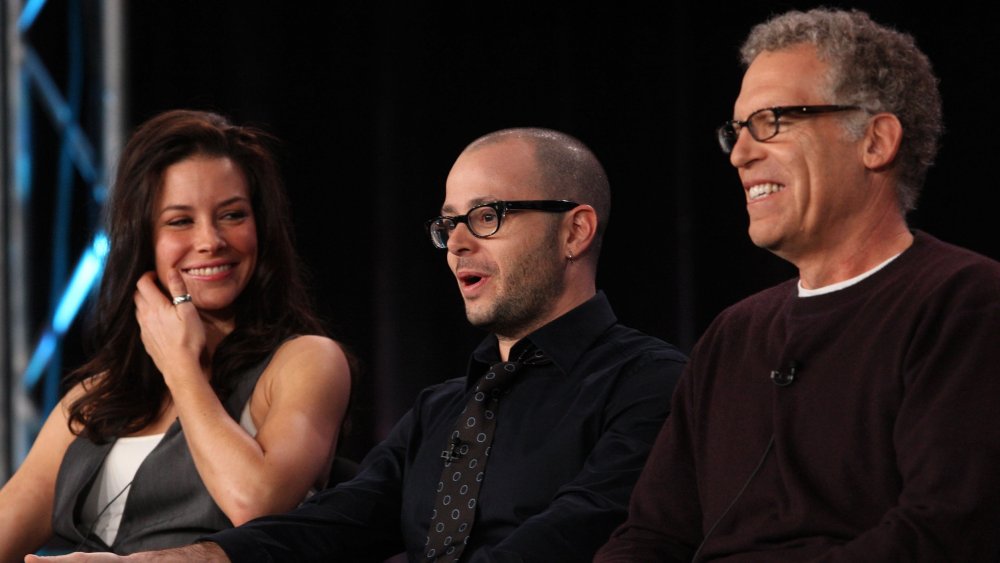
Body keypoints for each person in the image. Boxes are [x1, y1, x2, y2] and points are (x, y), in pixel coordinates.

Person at [34, 127, 687, 562]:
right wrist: (177, 559)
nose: (458, 242)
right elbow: (338, 521)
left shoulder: (652, 383)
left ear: (575, 231)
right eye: (449, 224)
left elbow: (579, 530)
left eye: (487, 216)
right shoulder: (443, 407)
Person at [596, 8, 1000, 562]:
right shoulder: (732, 335)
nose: (740, 155)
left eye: (772, 121)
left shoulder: (964, 301)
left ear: (875, 141)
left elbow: (944, 531)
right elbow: (651, 536)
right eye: (736, 131)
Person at [0, 110, 352, 557]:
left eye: (232, 215)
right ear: (142, 239)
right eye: (180, 221)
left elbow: (257, 505)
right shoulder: (95, 396)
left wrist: (182, 365)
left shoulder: (306, 362)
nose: (210, 240)